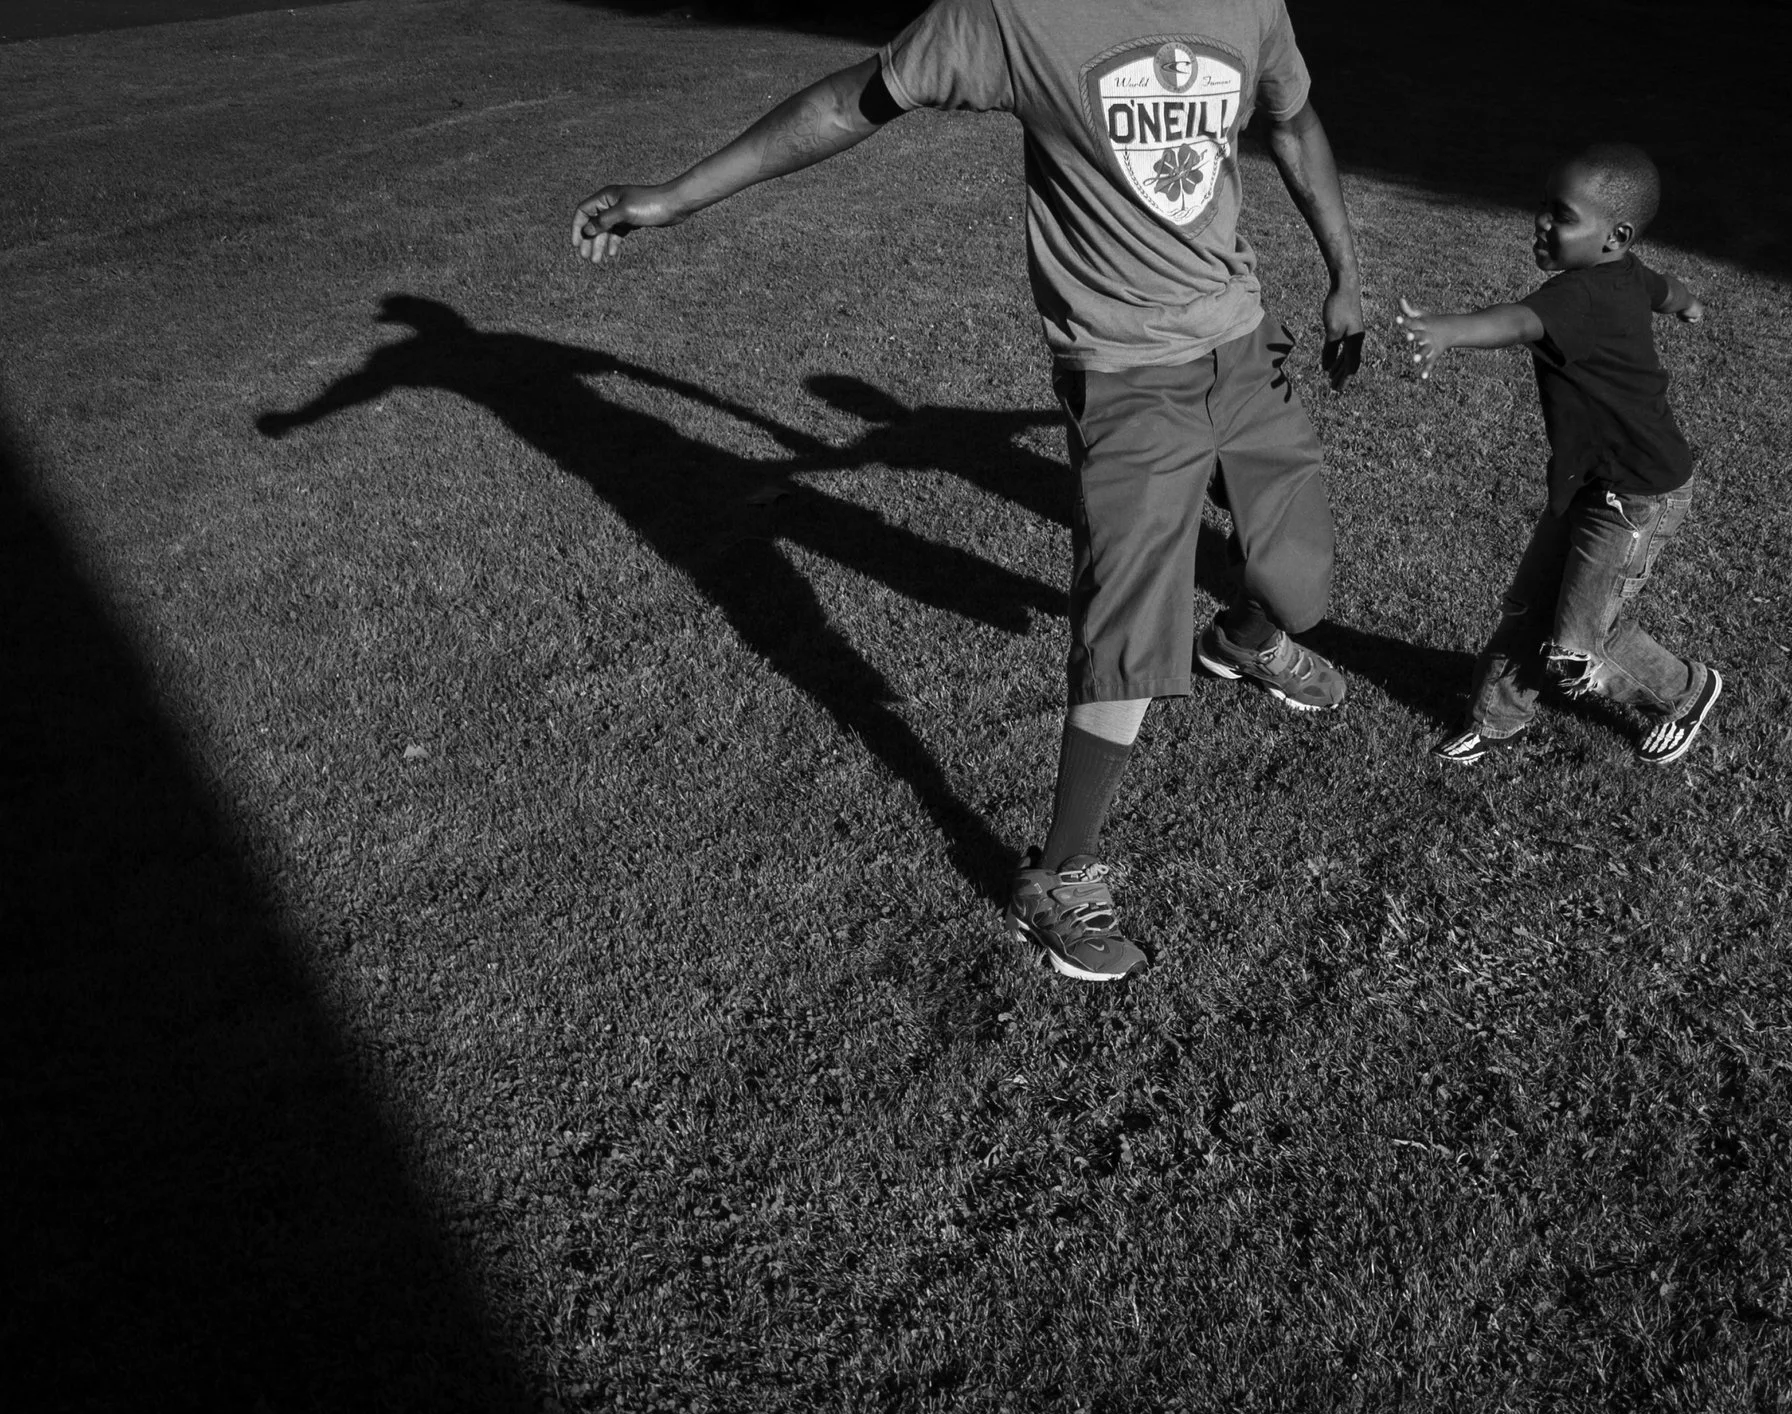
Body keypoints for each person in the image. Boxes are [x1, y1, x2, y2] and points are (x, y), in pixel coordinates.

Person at [572, 0, 1366, 983]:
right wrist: (677, 196)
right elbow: (852, 100)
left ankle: (1243, 640)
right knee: (1129, 630)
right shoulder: (1016, 14)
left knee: (1299, 585)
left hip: (1242, 343)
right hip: (1123, 373)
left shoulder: (1248, 4)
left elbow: (1293, 120)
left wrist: (1344, 271)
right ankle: (1059, 876)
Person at [1394, 142, 1723, 770]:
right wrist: (1689, 304)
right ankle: (1496, 720)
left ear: (1616, 237)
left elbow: (1519, 321)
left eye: (1563, 216)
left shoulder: (1580, 297)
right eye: (1545, 206)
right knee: (1529, 606)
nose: (1542, 222)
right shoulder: (1624, 273)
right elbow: (1665, 289)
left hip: (1636, 494)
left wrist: (1448, 330)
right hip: (1586, 481)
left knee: (1579, 644)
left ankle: (1684, 691)